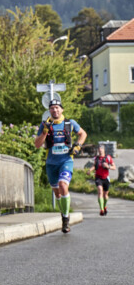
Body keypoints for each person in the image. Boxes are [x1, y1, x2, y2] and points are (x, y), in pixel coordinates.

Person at [34, 98, 87, 233]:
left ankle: (65, 218)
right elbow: (37, 144)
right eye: (52, 108)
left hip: (66, 161)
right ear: (49, 110)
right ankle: (63, 213)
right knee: (57, 192)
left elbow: (83, 134)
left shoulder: (70, 123)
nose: (55, 110)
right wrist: (45, 132)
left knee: (63, 185)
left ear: (62, 109)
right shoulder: (45, 124)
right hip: (51, 163)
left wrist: (78, 146)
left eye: (57, 108)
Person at [93, 144, 116, 216]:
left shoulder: (108, 158)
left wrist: (108, 166)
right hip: (98, 177)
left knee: (105, 195)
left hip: (106, 178)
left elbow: (114, 167)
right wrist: (89, 170)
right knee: (100, 191)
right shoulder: (96, 158)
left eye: (101, 149)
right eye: (99, 150)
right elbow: (94, 166)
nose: (100, 151)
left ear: (104, 150)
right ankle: (101, 209)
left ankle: (104, 206)